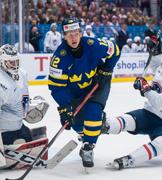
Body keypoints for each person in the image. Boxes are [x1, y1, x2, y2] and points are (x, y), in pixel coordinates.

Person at [48, 17, 120, 169]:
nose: (73, 37)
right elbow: (56, 87)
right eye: (69, 35)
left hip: (97, 84)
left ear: (80, 33)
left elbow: (116, 50)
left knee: (93, 113)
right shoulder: (59, 58)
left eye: (75, 33)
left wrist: (107, 69)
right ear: (64, 36)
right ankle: (87, 135)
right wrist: (64, 107)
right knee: (76, 123)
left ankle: (88, 147)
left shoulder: (93, 44)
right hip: (74, 93)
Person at [103, 51, 162, 170]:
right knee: (118, 122)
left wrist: (146, 88)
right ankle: (96, 129)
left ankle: (130, 159)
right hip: (148, 114)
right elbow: (155, 63)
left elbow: (160, 103)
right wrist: (156, 48)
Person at [0, 44, 49, 168]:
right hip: (4, 131)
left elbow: (19, 99)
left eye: (17, 61)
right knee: (20, 143)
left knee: (28, 138)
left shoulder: (22, 74)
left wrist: (29, 108)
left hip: (20, 125)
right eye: (11, 63)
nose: (15, 65)